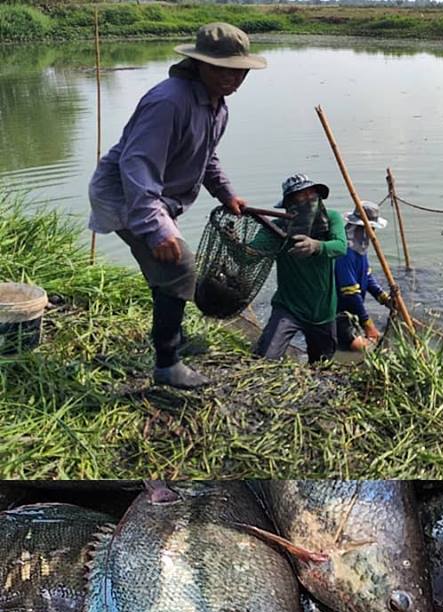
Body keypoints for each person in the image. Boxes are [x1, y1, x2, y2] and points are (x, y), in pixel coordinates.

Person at [88, 23, 265, 389]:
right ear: (198, 64)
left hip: (157, 197)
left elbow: (206, 156)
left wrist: (225, 193)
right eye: (222, 69)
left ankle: (172, 335)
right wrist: (156, 228)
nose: (232, 78)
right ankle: (167, 363)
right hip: (125, 194)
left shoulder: (217, 106)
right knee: (180, 264)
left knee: (165, 267)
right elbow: (137, 166)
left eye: (239, 71)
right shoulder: (169, 102)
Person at [252, 174, 347, 363]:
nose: (308, 200)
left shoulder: (331, 219)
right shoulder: (277, 228)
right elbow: (252, 253)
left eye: (312, 195)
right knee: (265, 360)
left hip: (323, 311)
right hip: (289, 308)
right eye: (300, 197)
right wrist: (236, 246)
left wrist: (316, 246)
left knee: (322, 366)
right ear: (289, 205)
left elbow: (341, 246)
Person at [335, 201, 393, 352]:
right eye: (371, 228)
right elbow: (350, 293)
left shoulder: (360, 248)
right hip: (338, 311)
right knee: (362, 348)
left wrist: (384, 298)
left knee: (378, 340)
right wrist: (368, 324)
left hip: (352, 310)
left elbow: (367, 277)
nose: (373, 232)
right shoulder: (345, 251)